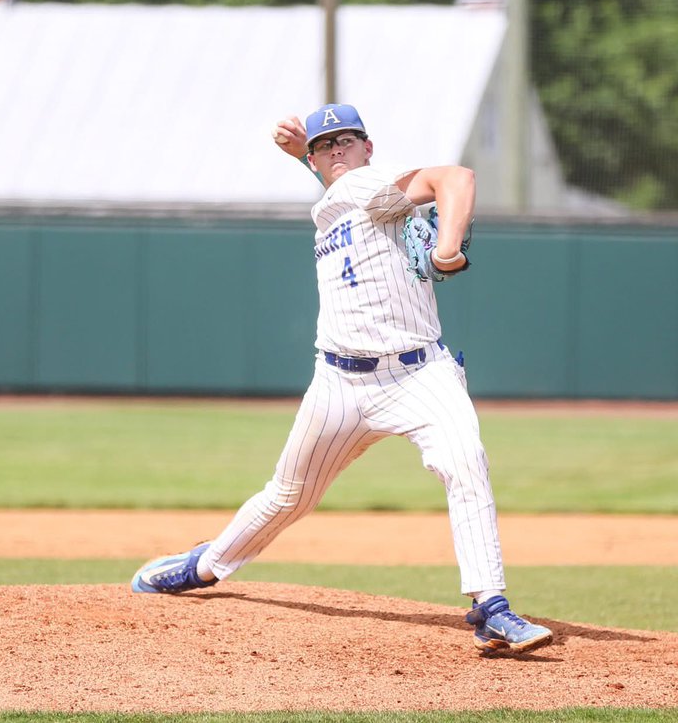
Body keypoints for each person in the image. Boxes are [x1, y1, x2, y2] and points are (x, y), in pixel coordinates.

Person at [130, 103, 552, 655]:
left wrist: (446, 249)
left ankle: (491, 606)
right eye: (326, 144)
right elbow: (340, 190)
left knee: (465, 462)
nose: (337, 150)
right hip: (339, 386)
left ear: (368, 148)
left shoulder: (372, 186)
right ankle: (204, 566)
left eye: (347, 140)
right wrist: (305, 157)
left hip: (419, 375)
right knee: (287, 496)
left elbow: (456, 178)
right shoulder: (335, 200)